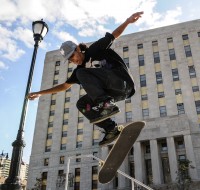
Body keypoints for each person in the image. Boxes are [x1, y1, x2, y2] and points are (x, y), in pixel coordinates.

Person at [28, 11, 144, 146]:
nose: (73, 60)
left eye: (73, 56)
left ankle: (106, 104)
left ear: (78, 49)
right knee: (82, 104)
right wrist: (39, 93)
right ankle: (111, 128)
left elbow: (114, 35)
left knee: (81, 73)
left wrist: (128, 21)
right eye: (70, 59)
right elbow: (65, 86)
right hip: (116, 93)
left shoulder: (94, 50)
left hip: (122, 83)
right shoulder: (80, 70)